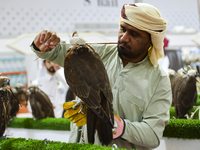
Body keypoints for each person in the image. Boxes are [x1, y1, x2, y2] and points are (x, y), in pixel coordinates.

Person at [30, 3, 172, 150]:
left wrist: (119, 126)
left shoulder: (159, 81)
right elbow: (58, 53)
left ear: (151, 41)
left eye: (134, 34)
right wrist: (44, 47)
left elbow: (153, 135)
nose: (124, 37)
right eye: (122, 29)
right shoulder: (98, 52)